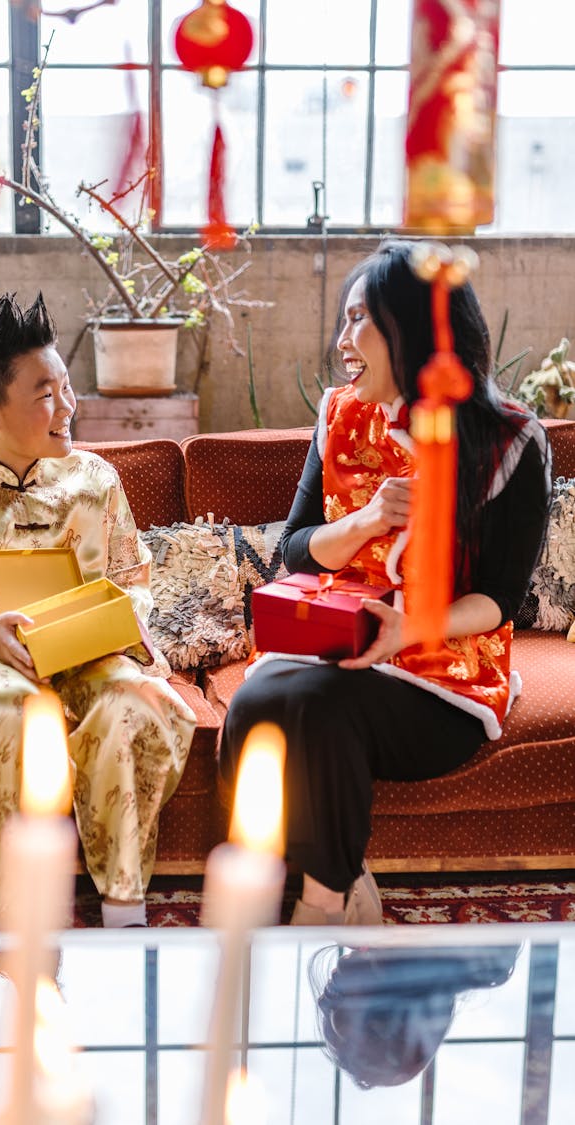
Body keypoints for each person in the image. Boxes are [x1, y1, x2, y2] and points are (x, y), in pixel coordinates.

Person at [219, 239, 551, 926]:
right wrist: (367, 520)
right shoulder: (341, 415)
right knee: (252, 708)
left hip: (444, 668)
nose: (342, 340)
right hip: (336, 640)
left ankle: (322, 899)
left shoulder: (510, 440)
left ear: (412, 328)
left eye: (358, 320)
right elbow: (296, 552)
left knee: (322, 704)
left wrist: (409, 625)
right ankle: (338, 883)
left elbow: (501, 596)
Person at [0, 292, 196, 929]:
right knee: (8, 712)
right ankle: (7, 921)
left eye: (66, 385)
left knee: (131, 702)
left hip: (91, 654)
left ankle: (123, 906)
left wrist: (118, 616)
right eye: (44, 393)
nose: (67, 406)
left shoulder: (97, 481)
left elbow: (134, 580)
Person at [309, 943, 521, 1088]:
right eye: (338, 995)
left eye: (330, 998)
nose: (323, 998)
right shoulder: (489, 957)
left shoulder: (488, 963)